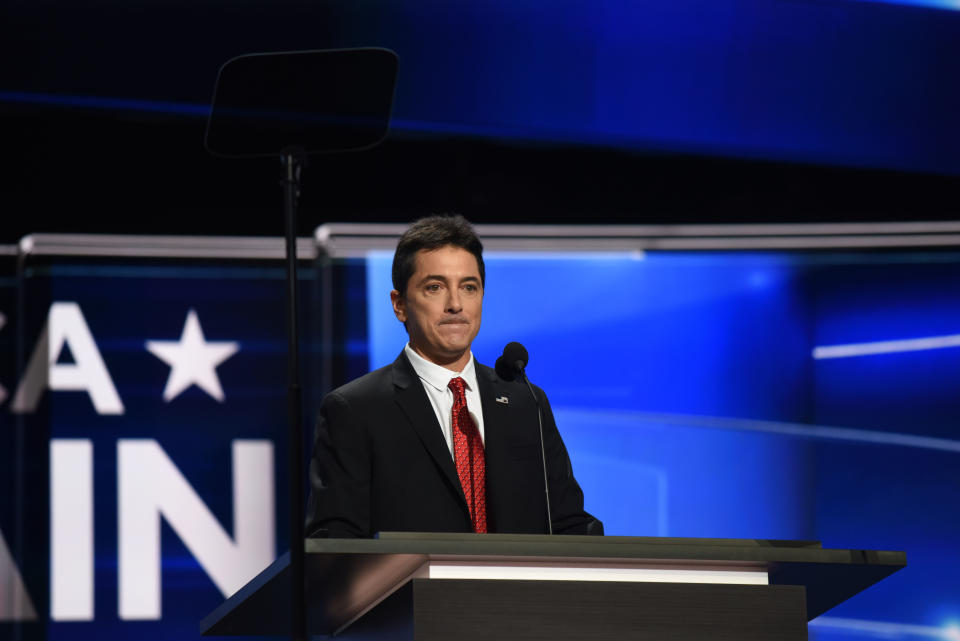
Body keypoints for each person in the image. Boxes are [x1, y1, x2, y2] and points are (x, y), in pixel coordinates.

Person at [305, 214, 602, 538]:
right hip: (414, 589)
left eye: (469, 287)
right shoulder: (356, 409)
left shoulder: (525, 401)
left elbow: (569, 523)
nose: (456, 304)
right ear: (399, 304)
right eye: (435, 287)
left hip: (516, 589)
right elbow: (336, 543)